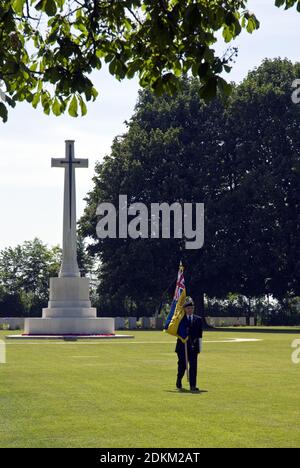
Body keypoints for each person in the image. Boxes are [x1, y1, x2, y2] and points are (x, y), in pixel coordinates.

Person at [175, 296, 203, 392]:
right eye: (188, 308)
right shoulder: (180, 320)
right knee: (182, 366)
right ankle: (179, 379)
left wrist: (200, 348)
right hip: (182, 347)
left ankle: (193, 385)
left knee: (193, 366)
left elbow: (200, 335)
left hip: (194, 347)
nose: (190, 310)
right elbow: (177, 332)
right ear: (184, 309)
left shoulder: (198, 319)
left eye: (191, 308)